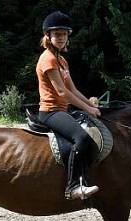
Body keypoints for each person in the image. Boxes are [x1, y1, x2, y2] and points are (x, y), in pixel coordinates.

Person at [36, 11, 101, 200]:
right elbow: (62, 93)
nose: (61, 38)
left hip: (63, 110)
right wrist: (88, 109)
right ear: (48, 36)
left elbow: (72, 89)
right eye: (57, 34)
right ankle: (73, 186)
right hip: (50, 112)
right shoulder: (47, 58)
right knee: (82, 138)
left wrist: (89, 102)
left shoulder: (62, 60)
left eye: (64, 34)